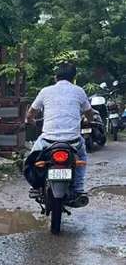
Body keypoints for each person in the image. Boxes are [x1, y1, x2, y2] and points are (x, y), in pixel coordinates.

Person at [26, 61, 93, 207]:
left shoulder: (45, 91)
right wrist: (89, 121)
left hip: (48, 140)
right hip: (73, 141)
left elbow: (31, 113)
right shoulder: (79, 91)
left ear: (56, 77)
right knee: (81, 156)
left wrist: (30, 120)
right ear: (73, 78)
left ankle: (35, 186)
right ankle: (79, 188)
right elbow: (89, 113)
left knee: (31, 158)